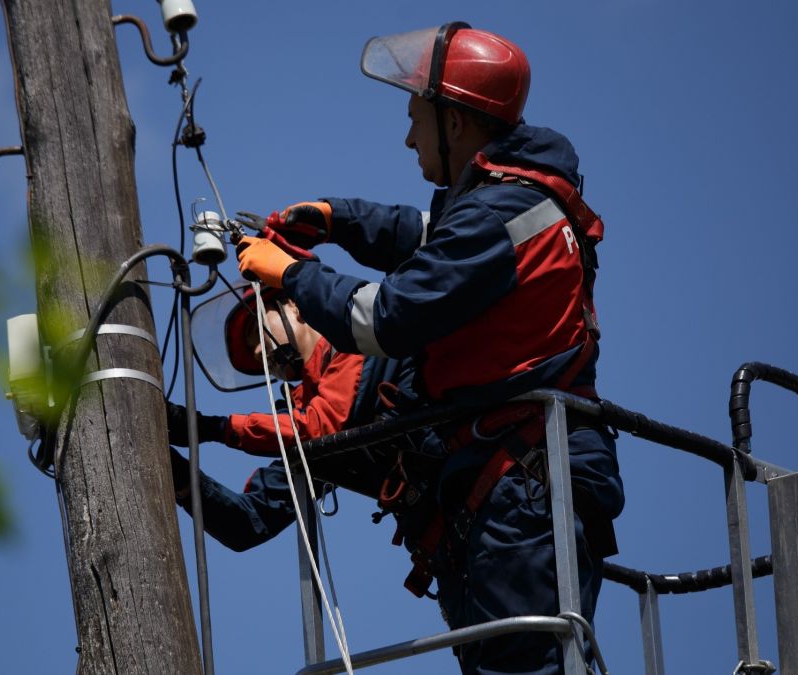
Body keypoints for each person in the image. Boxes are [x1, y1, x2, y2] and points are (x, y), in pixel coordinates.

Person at [236, 23, 624, 675]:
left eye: (416, 119)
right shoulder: (511, 203)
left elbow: (381, 318)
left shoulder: (494, 217)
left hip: (521, 491)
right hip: (523, 487)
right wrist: (334, 217)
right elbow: (420, 234)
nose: (409, 138)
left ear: (456, 122)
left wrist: (292, 274)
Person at [167, 283, 440, 552]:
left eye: (257, 329)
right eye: (252, 349)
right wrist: (176, 472)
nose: (258, 352)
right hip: (445, 546)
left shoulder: (357, 336)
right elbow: (248, 522)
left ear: (295, 305)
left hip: (462, 489)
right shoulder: (303, 416)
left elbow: (322, 425)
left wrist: (213, 428)